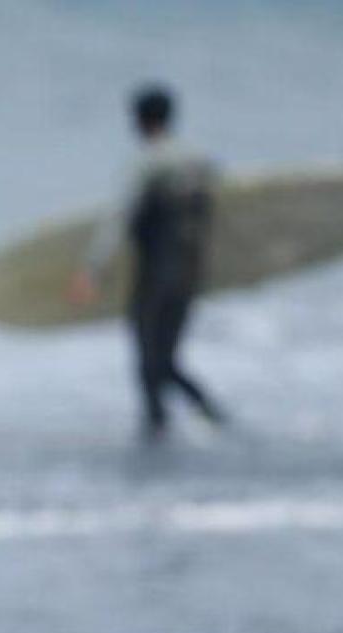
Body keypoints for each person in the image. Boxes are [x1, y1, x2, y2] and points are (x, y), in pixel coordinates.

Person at [70, 84, 226, 442]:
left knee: (148, 363)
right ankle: (213, 417)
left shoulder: (147, 162)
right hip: (190, 275)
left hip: (156, 278)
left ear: (140, 120)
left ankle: (158, 431)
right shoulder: (199, 159)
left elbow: (119, 218)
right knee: (168, 359)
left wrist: (91, 270)